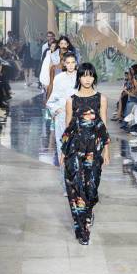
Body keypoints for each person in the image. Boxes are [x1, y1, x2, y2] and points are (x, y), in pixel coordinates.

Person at [59, 63, 110, 245]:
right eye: (84, 75)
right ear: (78, 77)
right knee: (76, 187)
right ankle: (82, 229)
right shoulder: (71, 100)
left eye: (90, 75)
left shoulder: (101, 99)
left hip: (94, 149)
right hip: (75, 148)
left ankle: (88, 212)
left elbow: (103, 125)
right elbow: (68, 128)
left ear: (94, 77)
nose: (87, 79)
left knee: (92, 187)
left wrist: (106, 150)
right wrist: (63, 152)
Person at [46, 52, 78, 189]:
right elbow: (51, 100)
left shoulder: (82, 77)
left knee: (77, 150)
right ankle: (66, 185)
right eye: (68, 62)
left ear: (76, 63)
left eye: (73, 62)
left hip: (78, 118)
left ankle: (76, 183)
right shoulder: (59, 78)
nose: (70, 65)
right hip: (62, 118)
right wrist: (55, 110)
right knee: (62, 149)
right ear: (64, 63)